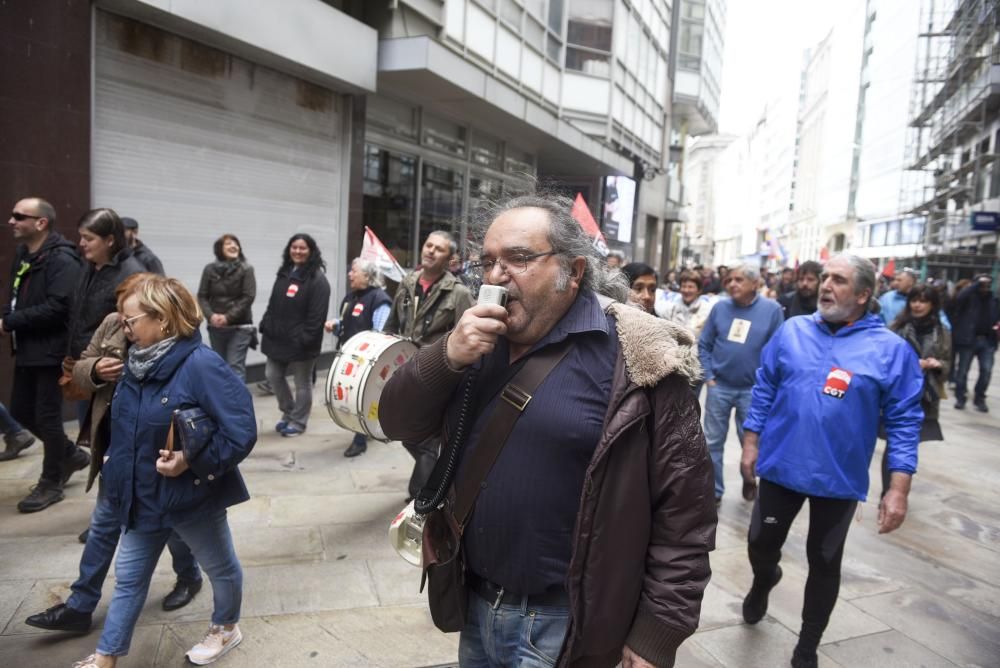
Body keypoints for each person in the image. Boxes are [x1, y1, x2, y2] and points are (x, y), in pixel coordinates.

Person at [381, 194, 716, 668]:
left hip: (567, 621)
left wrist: (656, 634)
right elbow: (397, 422)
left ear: (573, 271)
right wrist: (448, 356)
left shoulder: (639, 358)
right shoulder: (474, 340)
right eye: (488, 262)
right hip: (476, 603)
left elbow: (685, 514)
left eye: (518, 259)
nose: (497, 275)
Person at [739, 254, 923, 668]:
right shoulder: (792, 331)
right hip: (781, 466)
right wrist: (751, 442)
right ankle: (765, 579)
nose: (825, 285)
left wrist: (898, 489)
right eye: (824, 277)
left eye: (838, 280)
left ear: (862, 294)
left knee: (824, 561)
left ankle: (807, 645)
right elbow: (765, 387)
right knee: (759, 544)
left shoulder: (892, 351)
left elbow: (905, 423)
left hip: (837, 479)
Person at [71, 276, 256, 668]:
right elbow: (128, 428)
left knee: (221, 569)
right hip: (141, 499)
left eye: (129, 320)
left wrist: (190, 462)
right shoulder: (134, 364)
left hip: (190, 500)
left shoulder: (201, 365)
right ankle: (106, 656)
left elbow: (240, 431)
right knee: (129, 579)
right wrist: (115, 464)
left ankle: (226, 627)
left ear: (164, 320)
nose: (124, 328)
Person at [25, 275, 203, 636]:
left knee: (172, 529)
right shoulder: (111, 324)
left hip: (155, 451)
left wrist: (189, 456)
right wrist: (93, 370)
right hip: (117, 447)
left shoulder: (179, 340)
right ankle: (80, 605)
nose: (123, 320)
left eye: (130, 314)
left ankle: (189, 575)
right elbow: (80, 366)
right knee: (103, 526)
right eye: (121, 311)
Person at [3, 198, 86, 512]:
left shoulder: (62, 260)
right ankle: (71, 455)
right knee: (21, 412)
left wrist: (8, 322)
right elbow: (14, 298)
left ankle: (51, 482)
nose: (11, 221)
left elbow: (59, 306)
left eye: (19, 216)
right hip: (26, 348)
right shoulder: (25, 255)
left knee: (48, 418)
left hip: (51, 351)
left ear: (41, 223)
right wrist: (7, 317)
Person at [384, 230, 474, 500]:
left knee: (425, 444)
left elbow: (467, 336)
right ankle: (440, 475)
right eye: (428, 245)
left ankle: (420, 498)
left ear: (450, 259)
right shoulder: (407, 282)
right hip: (406, 370)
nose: (431, 251)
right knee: (406, 432)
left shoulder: (459, 293)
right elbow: (392, 323)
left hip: (436, 375)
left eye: (439, 249)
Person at [698, 263, 784, 503]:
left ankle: (750, 478)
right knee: (712, 441)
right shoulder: (720, 308)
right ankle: (714, 491)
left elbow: (778, 350)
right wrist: (709, 377)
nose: (732, 284)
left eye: (739, 279)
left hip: (753, 390)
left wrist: (768, 385)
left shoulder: (772, 310)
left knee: (753, 440)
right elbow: (704, 344)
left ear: (754, 284)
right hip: (720, 387)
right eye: (730, 280)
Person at [67, 209, 145, 424]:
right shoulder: (90, 266)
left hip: (114, 377)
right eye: (81, 236)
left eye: (88, 238)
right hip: (89, 369)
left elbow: (142, 331)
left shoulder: (132, 275)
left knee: (108, 440)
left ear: (110, 240)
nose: (81, 243)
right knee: (91, 436)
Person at [881, 283, 950, 496]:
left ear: (933, 304)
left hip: (925, 395)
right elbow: (883, 358)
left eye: (923, 301)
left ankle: (899, 488)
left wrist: (936, 365)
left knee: (909, 443)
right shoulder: (897, 327)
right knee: (895, 441)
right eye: (914, 300)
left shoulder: (941, 331)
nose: (918, 305)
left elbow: (948, 363)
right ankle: (889, 491)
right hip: (898, 393)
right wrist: (909, 364)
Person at [259, 233, 331, 437]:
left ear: (311, 251)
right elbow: (272, 303)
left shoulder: (318, 280)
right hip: (277, 338)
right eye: (294, 247)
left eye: (303, 248)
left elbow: (316, 317)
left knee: (303, 383)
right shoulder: (284, 273)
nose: (298, 251)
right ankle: (289, 411)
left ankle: (299, 421)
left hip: (302, 344)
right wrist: (265, 323)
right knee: (272, 375)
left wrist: (304, 339)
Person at [324, 257, 391, 457]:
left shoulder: (380, 300)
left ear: (367, 276)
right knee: (353, 398)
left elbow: (379, 333)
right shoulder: (351, 298)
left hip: (366, 362)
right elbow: (346, 325)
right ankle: (368, 428)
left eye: (354, 271)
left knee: (360, 399)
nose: (349, 274)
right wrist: (336, 326)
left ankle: (360, 439)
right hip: (350, 357)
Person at [198, 234, 257, 381]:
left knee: (234, 366)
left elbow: (248, 297)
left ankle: (238, 403)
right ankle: (224, 401)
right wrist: (210, 315)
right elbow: (202, 296)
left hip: (240, 326)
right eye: (228, 244)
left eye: (236, 243)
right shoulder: (209, 269)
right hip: (216, 327)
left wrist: (227, 317)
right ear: (219, 249)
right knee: (220, 366)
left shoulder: (246, 269)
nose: (233, 246)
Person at [950, 274, 998, 412]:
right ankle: (960, 397)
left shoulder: (993, 299)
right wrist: (975, 285)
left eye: (987, 284)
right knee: (963, 370)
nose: (985, 287)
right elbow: (959, 298)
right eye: (982, 284)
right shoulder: (968, 298)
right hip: (968, 340)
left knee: (986, 370)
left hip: (987, 340)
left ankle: (980, 397)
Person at [660, 270, 715, 337]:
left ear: (699, 290)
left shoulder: (707, 311)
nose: (686, 290)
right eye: (684, 286)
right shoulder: (671, 310)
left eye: (690, 287)